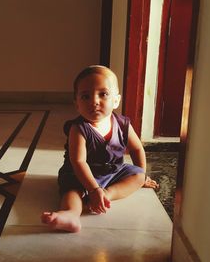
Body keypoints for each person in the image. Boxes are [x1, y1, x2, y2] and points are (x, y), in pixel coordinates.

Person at [41, 65, 158, 233]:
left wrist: (143, 173)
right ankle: (71, 214)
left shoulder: (123, 124)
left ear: (116, 100)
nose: (94, 101)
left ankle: (106, 195)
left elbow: (137, 149)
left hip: (112, 172)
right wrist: (92, 188)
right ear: (77, 104)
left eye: (103, 94)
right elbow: (78, 161)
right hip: (79, 174)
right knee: (73, 191)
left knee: (137, 176)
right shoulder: (79, 128)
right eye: (85, 96)